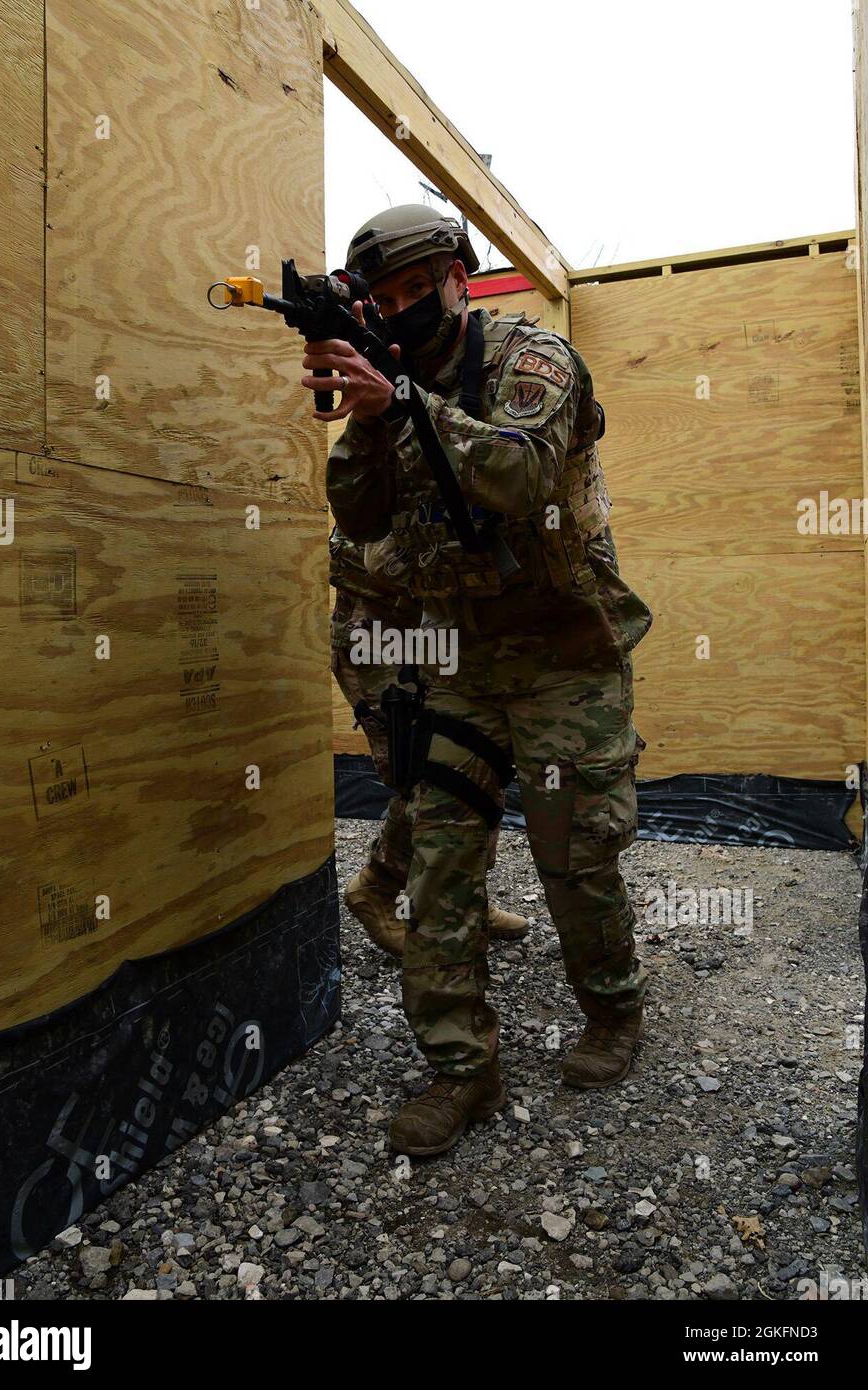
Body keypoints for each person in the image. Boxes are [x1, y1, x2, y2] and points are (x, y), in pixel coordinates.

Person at [303, 205, 653, 1156]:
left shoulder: (531, 364)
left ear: (462, 278)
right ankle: (462, 1072)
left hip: (563, 656)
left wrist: (407, 408)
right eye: (388, 298)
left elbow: (522, 475)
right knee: (441, 860)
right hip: (456, 660)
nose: (407, 308)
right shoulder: (390, 381)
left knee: (570, 852)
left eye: (421, 289)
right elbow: (358, 506)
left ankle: (614, 1012)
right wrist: (370, 415)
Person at [330, 524, 531, 957]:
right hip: (384, 631)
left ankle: (461, 897)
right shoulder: (398, 462)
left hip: (441, 627)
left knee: (477, 763)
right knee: (428, 773)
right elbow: (377, 558)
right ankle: (380, 888)